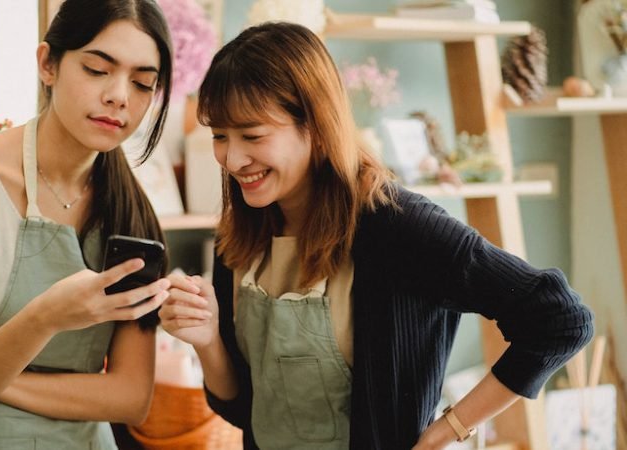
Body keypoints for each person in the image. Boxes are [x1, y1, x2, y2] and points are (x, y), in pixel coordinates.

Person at [158, 22, 595, 449]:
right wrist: (207, 338)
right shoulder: (238, 236)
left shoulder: (396, 225)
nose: (232, 159)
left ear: (314, 124)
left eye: (251, 135)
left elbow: (559, 319)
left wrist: (449, 428)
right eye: (219, 136)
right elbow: (244, 410)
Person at [0, 1, 174, 448]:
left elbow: (129, 397)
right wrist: (45, 318)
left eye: (142, 83)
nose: (120, 95)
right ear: (48, 64)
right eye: (98, 70)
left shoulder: (131, 211)